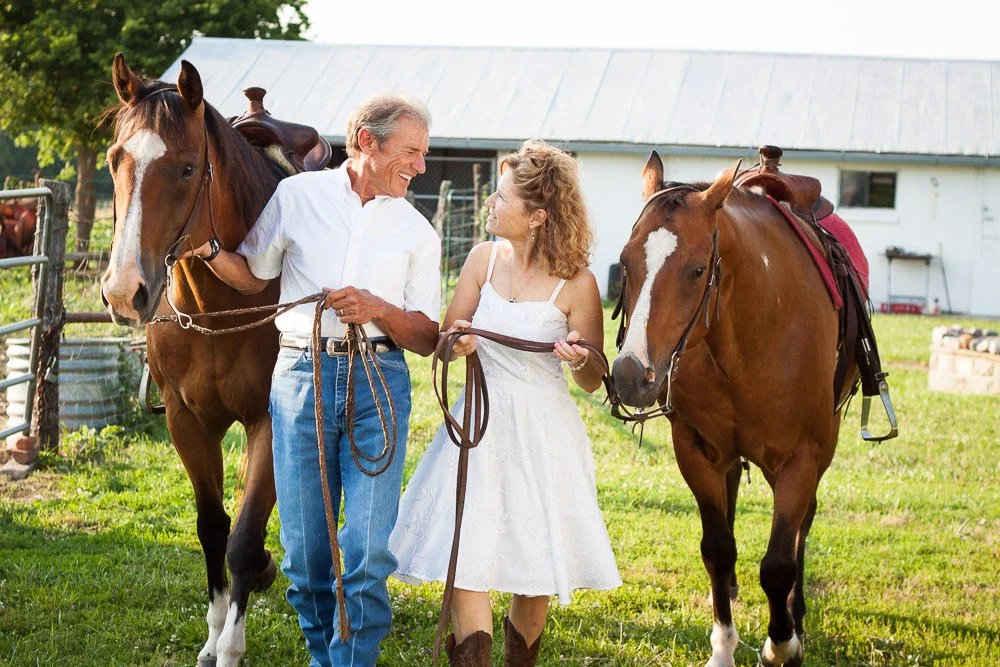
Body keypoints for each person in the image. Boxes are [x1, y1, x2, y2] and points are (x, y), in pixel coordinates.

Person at [185, 92, 441, 666]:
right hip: (301, 377)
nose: (421, 166)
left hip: (379, 380)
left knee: (368, 553)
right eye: (412, 151)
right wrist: (206, 247)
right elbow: (254, 276)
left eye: (423, 154)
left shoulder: (417, 232)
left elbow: (426, 335)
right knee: (304, 559)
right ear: (367, 142)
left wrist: (378, 308)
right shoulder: (298, 197)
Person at [389, 139, 621, 666]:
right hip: (478, 426)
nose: (490, 204)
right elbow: (445, 340)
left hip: (543, 434)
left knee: (532, 564)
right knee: (466, 555)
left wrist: (578, 358)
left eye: (502, 197)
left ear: (538, 216)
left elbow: (593, 378)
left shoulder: (578, 283)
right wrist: (457, 342)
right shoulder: (482, 259)